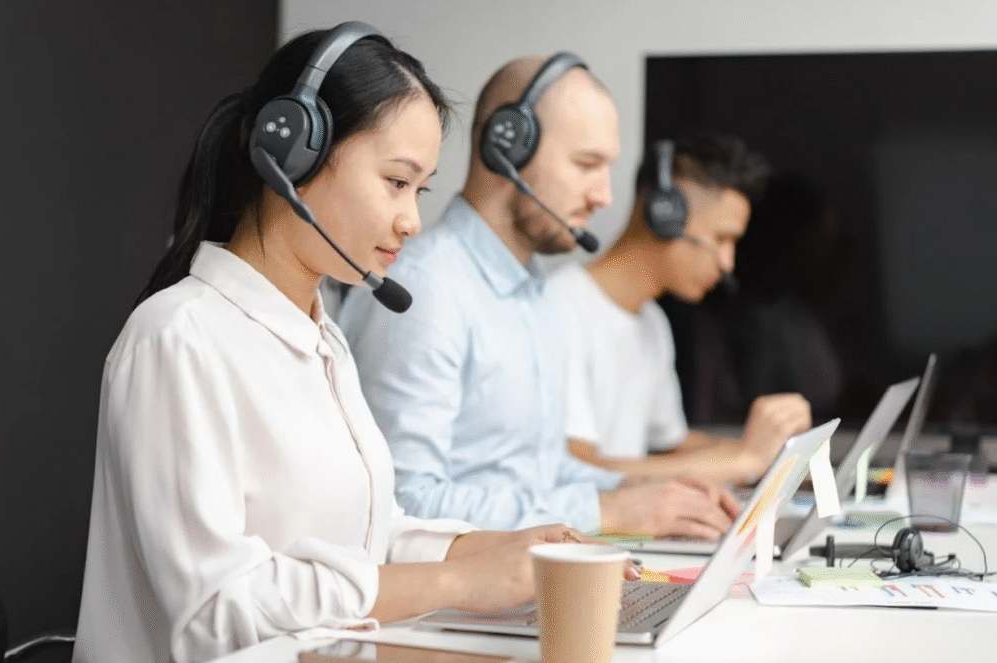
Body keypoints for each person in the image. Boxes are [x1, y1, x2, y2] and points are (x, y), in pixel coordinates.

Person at [72, 25, 607, 663]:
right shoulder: (179, 338)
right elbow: (218, 610)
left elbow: (362, 539)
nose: (412, 219)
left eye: (421, 190)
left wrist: (490, 548)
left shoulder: (322, 336)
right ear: (294, 153)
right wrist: (453, 581)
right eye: (396, 181)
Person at [338, 55, 740, 539]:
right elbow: (404, 503)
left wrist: (648, 491)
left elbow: (544, 472)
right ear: (509, 144)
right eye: (587, 164)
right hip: (444, 603)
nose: (605, 196)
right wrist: (608, 514)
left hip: (525, 581)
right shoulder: (427, 291)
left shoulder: (535, 295)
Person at [548, 133, 813, 485]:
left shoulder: (652, 323)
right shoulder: (559, 307)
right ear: (664, 214)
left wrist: (769, 454)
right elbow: (578, 473)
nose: (727, 264)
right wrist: (742, 460)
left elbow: (672, 447)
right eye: (722, 238)